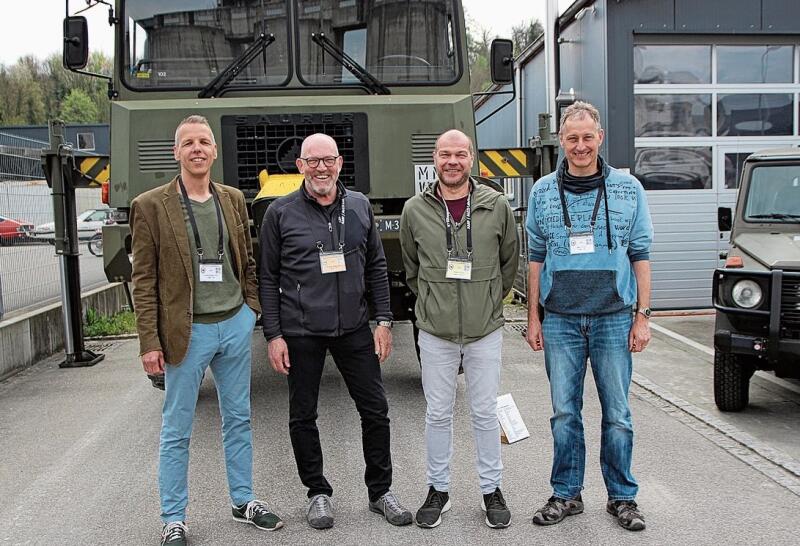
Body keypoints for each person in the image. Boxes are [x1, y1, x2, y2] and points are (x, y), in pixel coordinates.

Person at [131, 115, 283, 546]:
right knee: (177, 429)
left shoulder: (233, 198)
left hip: (233, 324)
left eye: (204, 142)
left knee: (239, 419)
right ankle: (173, 518)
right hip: (187, 332)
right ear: (176, 152)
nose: (197, 149)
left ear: (214, 151)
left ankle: (243, 501)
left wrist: (249, 309)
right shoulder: (150, 206)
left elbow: (247, 259)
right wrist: (149, 342)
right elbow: (143, 281)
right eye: (188, 143)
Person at [259, 133, 412, 529]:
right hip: (302, 331)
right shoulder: (280, 213)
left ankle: (380, 492)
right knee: (303, 415)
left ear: (340, 163)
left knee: (375, 411)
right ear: (300, 166)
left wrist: (383, 321)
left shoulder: (359, 206)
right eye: (313, 161)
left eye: (328, 160)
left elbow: (377, 267)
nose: (321, 168)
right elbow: (268, 277)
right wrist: (273, 335)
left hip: (355, 328)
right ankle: (318, 493)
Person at [525, 101, 652, 531]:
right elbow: (535, 259)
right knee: (564, 413)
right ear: (561, 140)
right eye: (572, 138)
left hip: (614, 318)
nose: (580, 145)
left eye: (587, 137)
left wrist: (643, 316)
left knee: (617, 412)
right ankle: (566, 494)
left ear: (600, 138)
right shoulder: (542, 190)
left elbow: (641, 254)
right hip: (560, 319)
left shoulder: (627, 188)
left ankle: (623, 497)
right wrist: (533, 316)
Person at [399, 129, 519, 529]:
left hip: (485, 330)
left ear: (472, 159)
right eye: (445, 154)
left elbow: (508, 264)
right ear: (434, 159)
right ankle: (438, 490)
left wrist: (486, 302)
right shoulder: (414, 210)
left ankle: (491, 490)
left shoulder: (495, 205)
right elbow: (411, 269)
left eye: (460, 154)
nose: (453, 161)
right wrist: (434, 304)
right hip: (436, 331)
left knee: (485, 412)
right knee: (437, 413)